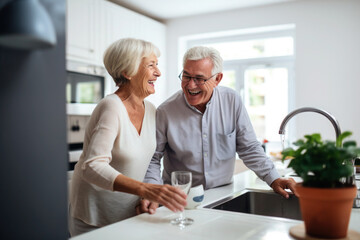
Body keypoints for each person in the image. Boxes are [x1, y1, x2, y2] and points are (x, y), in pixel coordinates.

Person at [137, 46, 296, 214]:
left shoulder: (231, 101)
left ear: (218, 78)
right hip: (181, 200)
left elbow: (248, 148)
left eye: (199, 78)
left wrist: (274, 178)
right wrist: (152, 192)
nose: (191, 85)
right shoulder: (165, 111)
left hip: (225, 195)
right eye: (186, 76)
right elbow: (153, 159)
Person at [68, 38, 187, 236]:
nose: (158, 73)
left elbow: (149, 162)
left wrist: (149, 195)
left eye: (157, 65)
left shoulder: (151, 110)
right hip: (96, 216)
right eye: (151, 65)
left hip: (132, 213)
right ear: (128, 72)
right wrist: (145, 189)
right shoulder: (111, 106)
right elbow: (92, 166)